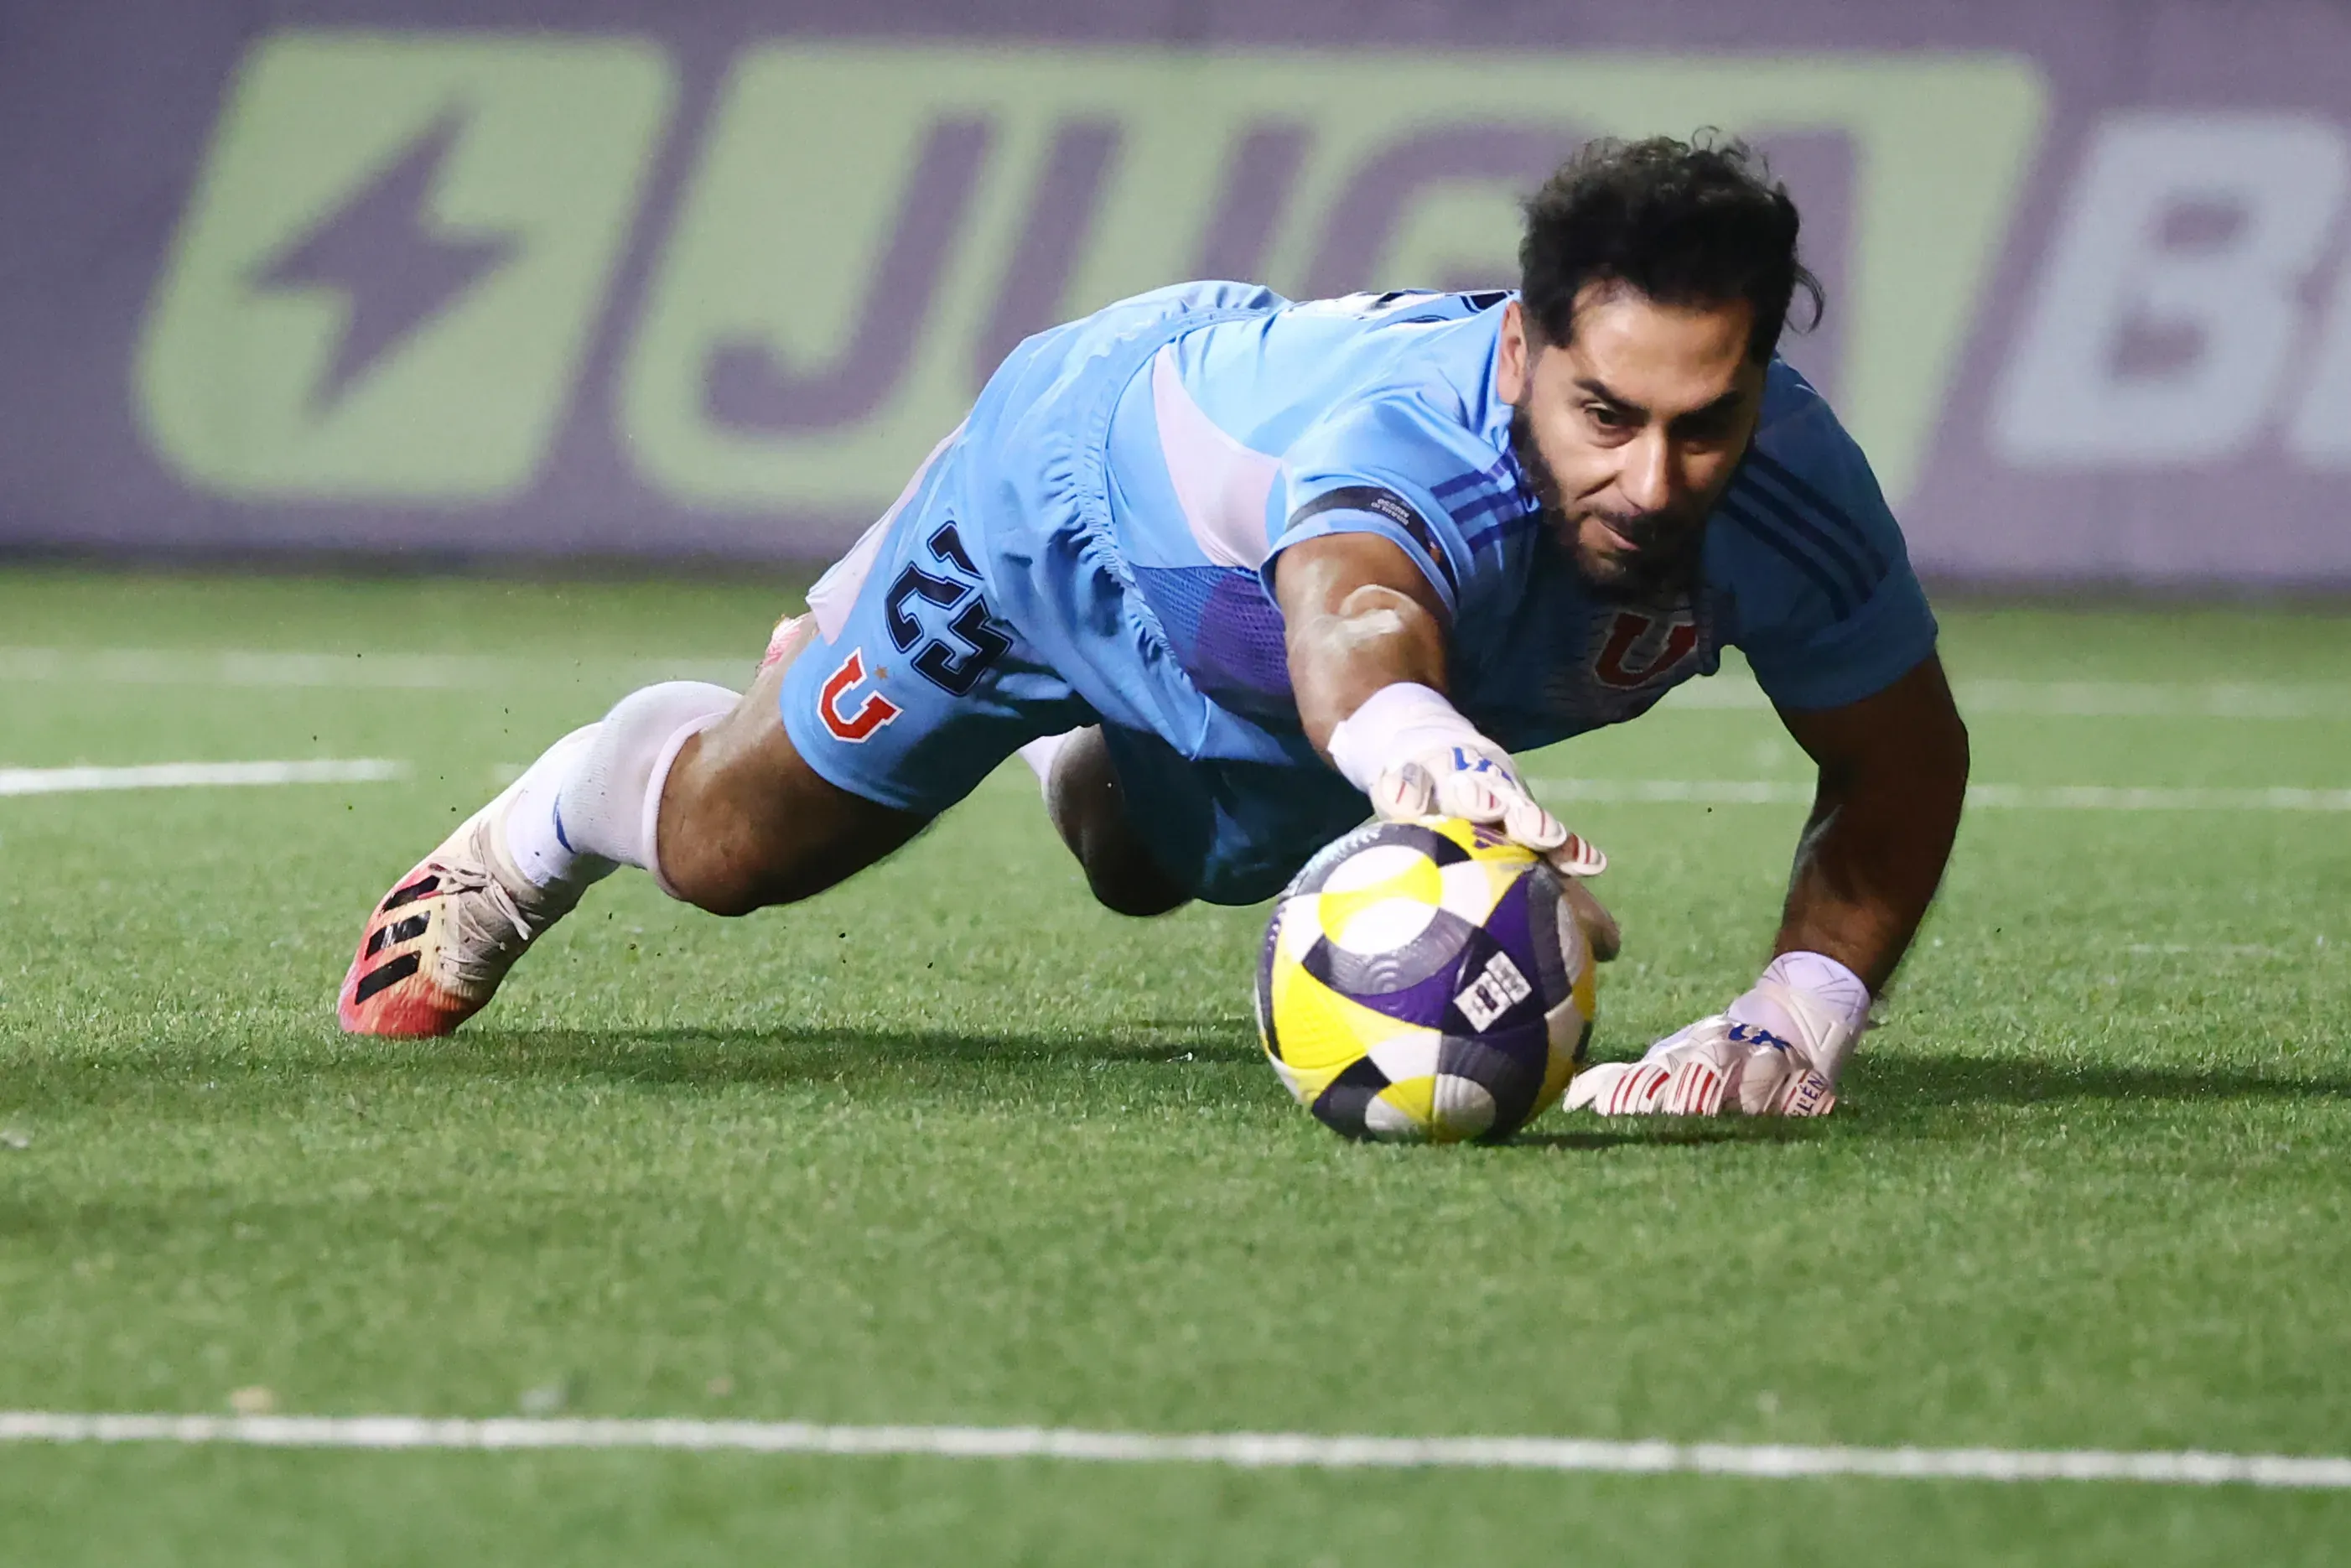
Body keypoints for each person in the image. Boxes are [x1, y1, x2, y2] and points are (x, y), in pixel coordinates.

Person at [336, 134, 1969, 1119]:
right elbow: (1352, 604)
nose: (1655, 479)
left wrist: (1798, 1008)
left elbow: (1899, 755)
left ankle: (1071, 741)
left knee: (1145, 865)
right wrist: (1414, 733)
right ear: (1521, 348)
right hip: (1063, 511)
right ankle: (557, 811)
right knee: (727, 850)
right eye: (1606, 413)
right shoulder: (1413, 438)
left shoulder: (1794, 494)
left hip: (1258, 677)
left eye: (1705, 421)